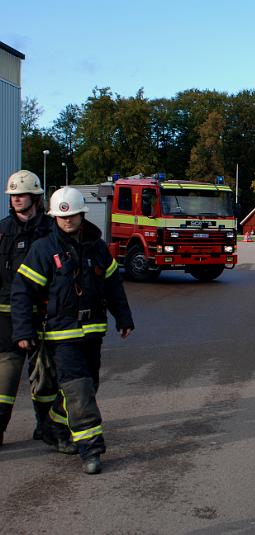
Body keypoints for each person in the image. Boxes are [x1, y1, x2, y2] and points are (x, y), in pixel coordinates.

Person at [12, 187, 135, 474]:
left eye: (72, 216)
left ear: (82, 214)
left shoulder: (98, 247)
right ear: (54, 217)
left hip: (92, 332)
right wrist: (23, 331)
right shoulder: (43, 249)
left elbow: (113, 285)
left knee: (88, 386)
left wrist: (124, 318)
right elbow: (22, 292)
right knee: (79, 390)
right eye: (61, 217)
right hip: (60, 335)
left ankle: (53, 425)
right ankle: (90, 449)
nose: (67, 221)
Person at [0, 171, 56, 449]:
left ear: (35, 197)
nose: (16, 199)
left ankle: (45, 427)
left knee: (44, 377)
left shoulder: (51, 230)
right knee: (4, 382)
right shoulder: (1, 231)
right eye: (13, 196)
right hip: (6, 316)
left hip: (43, 315)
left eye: (21, 195)